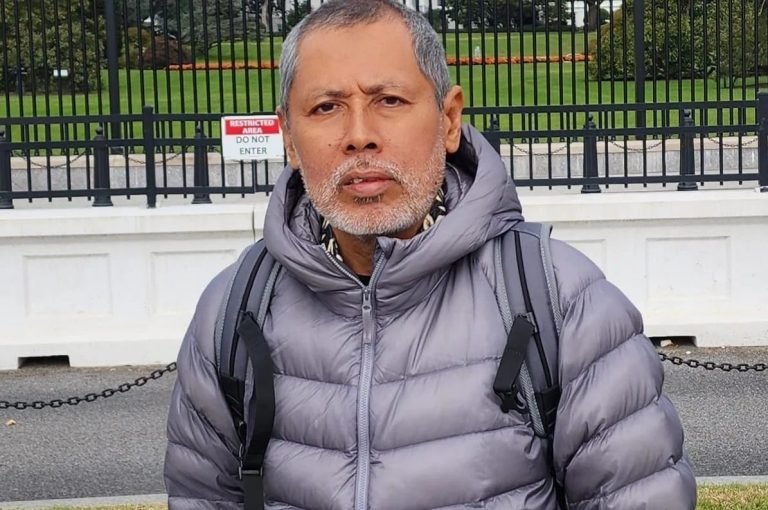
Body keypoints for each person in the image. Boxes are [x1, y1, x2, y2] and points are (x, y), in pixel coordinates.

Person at [164, 1, 696, 508]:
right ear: (288, 137)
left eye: (389, 101)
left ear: (448, 119)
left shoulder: (563, 302)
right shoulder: (232, 313)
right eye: (326, 107)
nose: (359, 136)